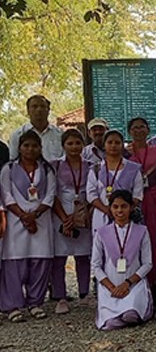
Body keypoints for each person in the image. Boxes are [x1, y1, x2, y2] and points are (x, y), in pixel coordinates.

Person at [0, 131, 55, 322]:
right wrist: (23, 215)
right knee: (15, 262)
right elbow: (6, 195)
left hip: (41, 218)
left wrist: (35, 214)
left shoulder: (47, 170)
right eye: (26, 146)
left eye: (34, 146)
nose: (30, 150)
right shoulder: (8, 168)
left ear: (40, 148)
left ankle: (35, 302)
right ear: (20, 147)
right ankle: (13, 306)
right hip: (16, 221)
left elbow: (50, 195)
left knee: (39, 261)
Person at [91, 190, 153, 330]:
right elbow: (95, 265)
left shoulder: (142, 231)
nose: (119, 210)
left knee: (130, 315)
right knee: (110, 324)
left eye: (124, 206)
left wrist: (127, 283)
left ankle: (130, 313)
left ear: (131, 207)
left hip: (133, 285)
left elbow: (147, 263)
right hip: (110, 287)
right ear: (110, 208)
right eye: (115, 207)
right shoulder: (101, 233)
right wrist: (112, 287)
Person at [51, 129, 93, 314]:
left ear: (83, 145)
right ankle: (60, 296)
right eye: (70, 143)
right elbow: (52, 193)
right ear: (63, 145)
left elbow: (93, 191)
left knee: (83, 256)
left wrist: (82, 215)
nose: (74, 147)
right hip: (60, 212)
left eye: (77, 143)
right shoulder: (55, 166)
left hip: (83, 213)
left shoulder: (92, 166)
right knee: (59, 258)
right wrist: (65, 219)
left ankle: (84, 294)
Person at [128, 117, 156, 292]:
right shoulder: (125, 154)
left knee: (155, 238)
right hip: (132, 203)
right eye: (135, 128)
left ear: (148, 130)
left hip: (155, 203)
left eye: (142, 127)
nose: (138, 130)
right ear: (130, 131)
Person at [86, 130, 144, 236]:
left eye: (117, 143)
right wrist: (106, 209)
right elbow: (91, 194)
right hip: (102, 215)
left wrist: (121, 210)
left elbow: (138, 194)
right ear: (104, 145)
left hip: (126, 217)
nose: (113, 145)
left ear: (123, 145)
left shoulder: (133, 168)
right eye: (110, 142)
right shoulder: (96, 169)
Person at [9, 95, 63, 161]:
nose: (39, 109)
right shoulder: (17, 135)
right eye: (34, 106)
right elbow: (13, 161)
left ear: (48, 110)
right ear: (28, 111)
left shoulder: (60, 134)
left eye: (42, 106)